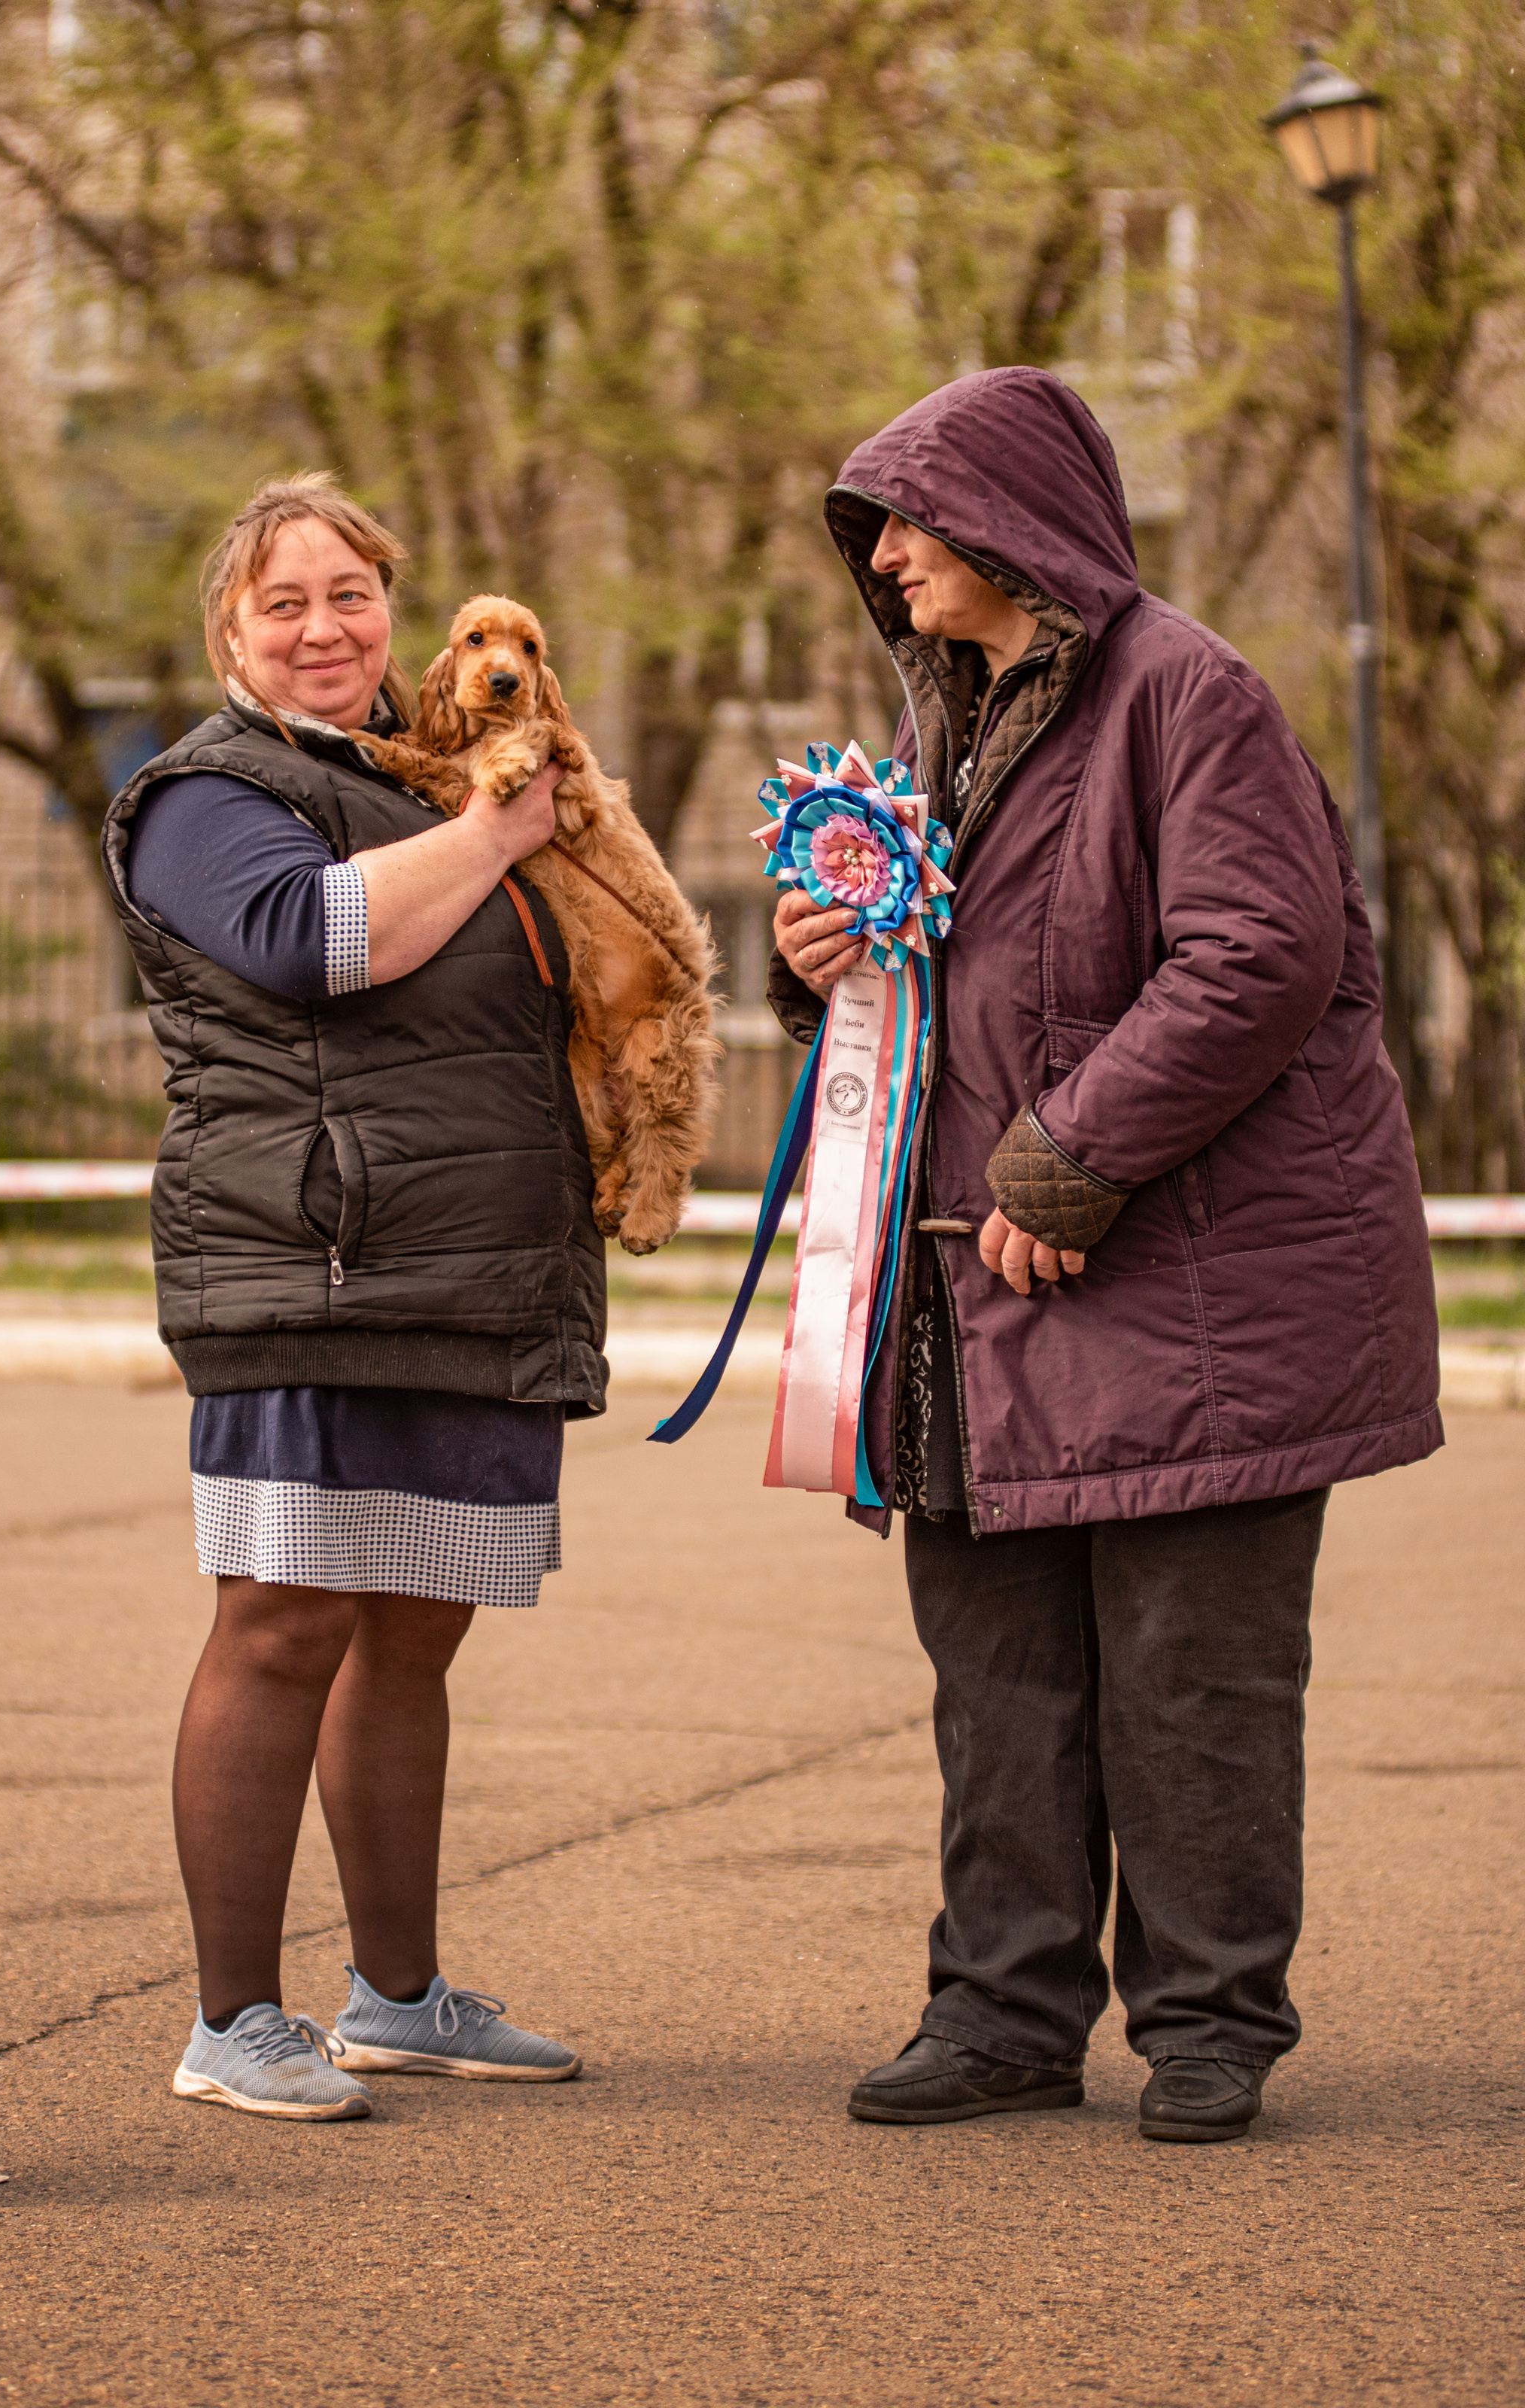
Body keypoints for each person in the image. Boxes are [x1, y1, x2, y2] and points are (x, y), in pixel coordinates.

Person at [768, 368, 1439, 2144]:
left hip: (1182, 1293)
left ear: (1007, 524)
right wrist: (820, 961)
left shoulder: (1186, 694)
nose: (883, 558)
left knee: (1191, 1683)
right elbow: (958, 979)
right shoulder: (940, 719)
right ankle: (999, 2011)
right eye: (872, 533)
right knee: (998, 1679)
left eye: (907, 524)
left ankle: (1210, 2022)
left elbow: (1259, 954)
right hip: (978, 1296)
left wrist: (1067, 1160)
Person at [102, 473, 600, 2120]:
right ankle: (231, 2021)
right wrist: (495, 834)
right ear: (229, 634)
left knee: (415, 1631)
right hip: (304, 1266)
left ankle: (398, 1998)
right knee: (282, 1624)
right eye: (284, 602)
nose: (324, 628)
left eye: (351, 594)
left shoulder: (421, 777)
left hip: (471, 1267)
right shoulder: (205, 791)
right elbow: (315, 943)